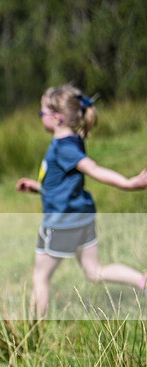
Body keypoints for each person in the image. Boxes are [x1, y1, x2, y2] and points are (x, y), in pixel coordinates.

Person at [16, 84, 147, 318]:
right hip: (82, 219)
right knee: (94, 271)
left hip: (61, 223)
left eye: (41, 113)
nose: (40, 117)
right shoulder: (73, 140)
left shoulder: (64, 148)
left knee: (40, 276)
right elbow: (65, 183)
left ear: (57, 117)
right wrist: (39, 188)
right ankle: (142, 281)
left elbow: (93, 169)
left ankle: (33, 330)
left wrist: (128, 183)